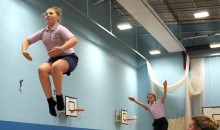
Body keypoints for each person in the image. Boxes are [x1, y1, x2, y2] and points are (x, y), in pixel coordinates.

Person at [22, 7, 78, 117]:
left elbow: (74, 40)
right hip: (54, 59)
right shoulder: (43, 32)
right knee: (41, 69)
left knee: (56, 66)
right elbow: (27, 40)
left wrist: (61, 49)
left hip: (69, 57)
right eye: (46, 13)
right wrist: (24, 50)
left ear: (58, 17)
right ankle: (50, 101)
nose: (47, 15)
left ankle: (59, 96)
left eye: (51, 13)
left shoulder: (60, 29)